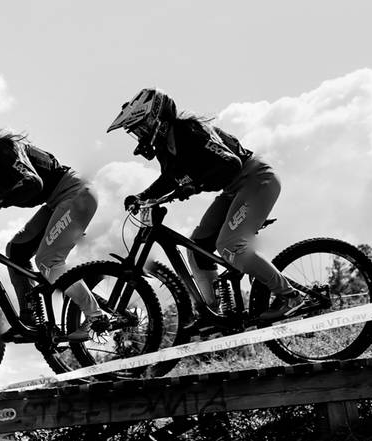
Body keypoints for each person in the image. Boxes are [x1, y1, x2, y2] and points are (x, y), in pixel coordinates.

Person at [108, 88, 300, 319]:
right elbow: (168, 179)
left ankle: (291, 296)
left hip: (256, 179)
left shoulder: (189, 131)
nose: (140, 136)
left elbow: (230, 164)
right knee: (197, 248)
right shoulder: (164, 148)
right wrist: (142, 196)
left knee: (229, 245)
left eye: (140, 128)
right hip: (233, 189)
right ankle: (213, 312)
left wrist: (195, 185)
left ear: (156, 119)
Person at [0, 110, 110, 339]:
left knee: (48, 260)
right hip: (57, 201)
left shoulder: (3, 148)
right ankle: (30, 318)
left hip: (76, 194)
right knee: (16, 251)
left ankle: (97, 317)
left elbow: (32, 182)